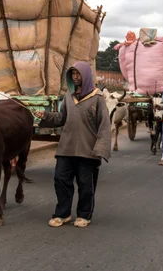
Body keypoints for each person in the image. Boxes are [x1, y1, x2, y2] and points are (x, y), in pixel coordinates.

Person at [34, 61, 111, 228]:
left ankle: (84, 215)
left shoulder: (97, 99)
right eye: (73, 74)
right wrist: (45, 115)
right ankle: (63, 213)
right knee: (60, 179)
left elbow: (104, 126)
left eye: (78, 74)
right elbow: (62, 118)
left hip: (87, 149)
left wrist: (100, 149)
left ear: (86, 76)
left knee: (85, 185)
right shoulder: (69, 96)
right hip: (66, 147)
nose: (75, 77)